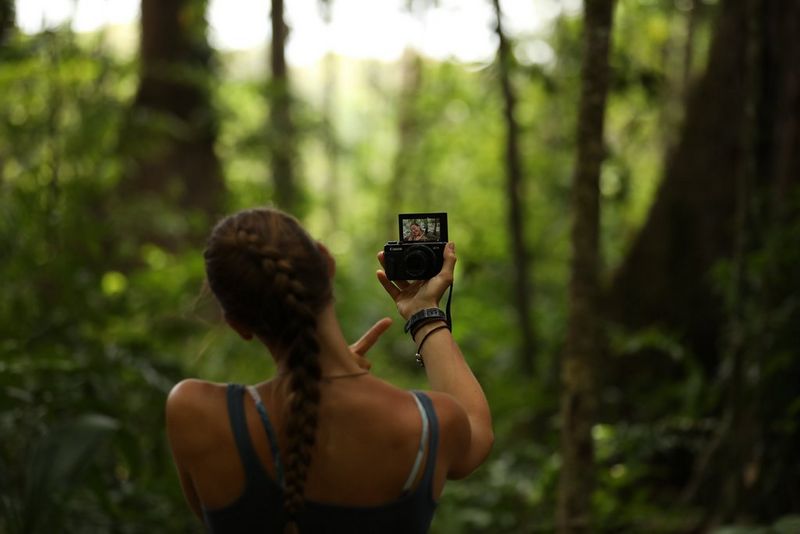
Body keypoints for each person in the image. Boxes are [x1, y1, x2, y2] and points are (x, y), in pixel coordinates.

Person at [166, 207, 493, 533]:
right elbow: (477, 428)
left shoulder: (193, 412)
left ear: (238, 325)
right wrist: (424, 313)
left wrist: (316, 373)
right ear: (327, 263)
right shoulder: (427, 424)